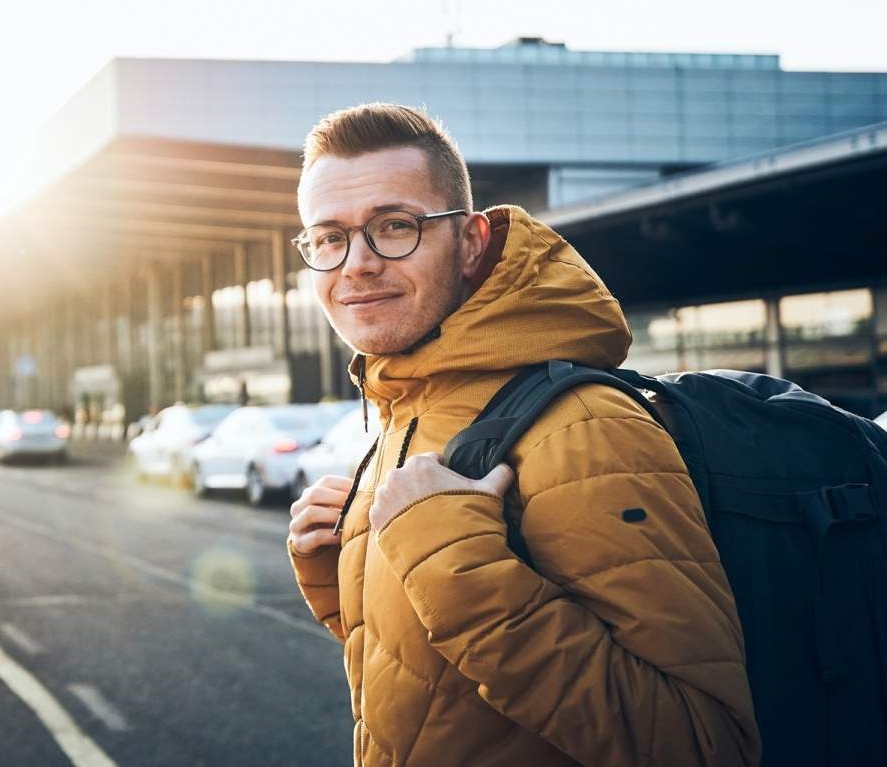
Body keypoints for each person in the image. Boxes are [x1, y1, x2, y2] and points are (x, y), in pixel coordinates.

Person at [285, 103, 760, 767]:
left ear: (472, 241)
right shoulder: (410, 405)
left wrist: (449, 560)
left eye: (395, 226)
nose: (356, 263)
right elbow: (443, 694)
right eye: (329, 237)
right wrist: (344, 573)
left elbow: (707, 746)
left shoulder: (585, 428)